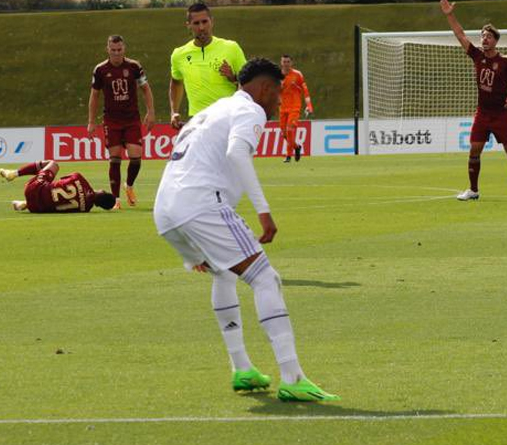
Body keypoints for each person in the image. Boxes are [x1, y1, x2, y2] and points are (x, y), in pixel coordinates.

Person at [154, 57, 338, 402]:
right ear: (265, 88)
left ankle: (242, 369)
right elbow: (237, 153)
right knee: (266, 279)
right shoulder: (250, 111)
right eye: (278, 94)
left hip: (166, 210)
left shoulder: (214, 109)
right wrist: (263, 212)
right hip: (201, 204)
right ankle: (292, 376)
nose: (279, 101)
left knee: (224, 275)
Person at [439, 0, 507, 202]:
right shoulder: (477, 56)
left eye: (488, 36)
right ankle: (473, 190)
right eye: (482, 36)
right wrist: (449, 15)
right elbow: (460, 35)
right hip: (482, 113)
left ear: (496, 41)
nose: (484, 39)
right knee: (474, 150)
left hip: (500, 114)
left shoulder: (505, 61)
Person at [87, 35, 156, 209]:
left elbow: (145, 89)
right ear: (107, 49)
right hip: (112, 120)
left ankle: (129, 186)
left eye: (119, 50)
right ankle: (116, 200)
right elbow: (94, 95)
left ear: (124, 49)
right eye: (113, 50)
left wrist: (151, 111)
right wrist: (91, 121)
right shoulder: (100, 69)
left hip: (132, 119)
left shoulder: (134, 66)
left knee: (136, 157)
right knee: (115, 158)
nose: (116, 53)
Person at [169, 2, 248, 130]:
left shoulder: (231, 48)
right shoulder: (179, 54)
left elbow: (249, 83)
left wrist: (233, 78)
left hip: (228, 119)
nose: (201, 27)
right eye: (196, 23)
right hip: (198, 121)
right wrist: (174, 112)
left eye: (205, 22)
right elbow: (176, 82)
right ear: (188, 25)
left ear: (212, 21)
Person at [0, 160, 116, 213]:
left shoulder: (80, 178)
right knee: (53, 200)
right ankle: (25, 204)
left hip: (33, 188)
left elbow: (62, 179)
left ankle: (13, 173)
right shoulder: (85, 209)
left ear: (102, 192)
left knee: (54, 164)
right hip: (37, 208)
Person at [279, 54, 313, 163]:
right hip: (282, 108)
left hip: (294, 107)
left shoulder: (297, 75)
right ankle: (297, 147)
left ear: (291, 63)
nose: (286, 64)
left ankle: (288, 156)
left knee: (289, 130)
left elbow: (305, 91)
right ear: (281, 63)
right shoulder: (278, 76)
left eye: (288, 62)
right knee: (284, 133)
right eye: (284, 62)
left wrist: (309, 106)